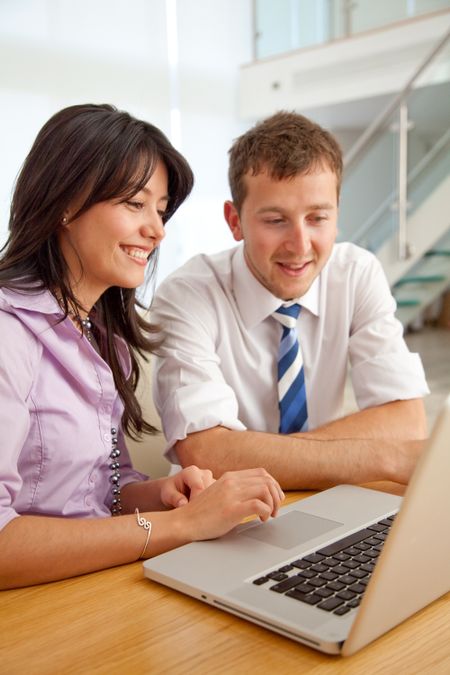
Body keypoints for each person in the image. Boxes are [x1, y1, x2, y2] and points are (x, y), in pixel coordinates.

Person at [0, 104, 284, 590]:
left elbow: (102, 492)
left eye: (160, 208)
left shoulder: (104, 337)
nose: (157, 229)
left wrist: (162, 494)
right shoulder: (8, 333)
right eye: (135, 204)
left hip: (99, 586)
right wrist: (181, 526)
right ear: (66, 202)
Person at [152, 111, 429, 489]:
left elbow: (406, 421)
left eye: (317, 218)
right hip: (222, 514)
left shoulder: (357, 273)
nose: (300, 246)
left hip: (330, 496)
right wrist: (382, 456)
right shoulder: (187, 295)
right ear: (235, 221)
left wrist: (254, 455)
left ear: (337, 215)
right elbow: (206, 455)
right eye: (275, 220)